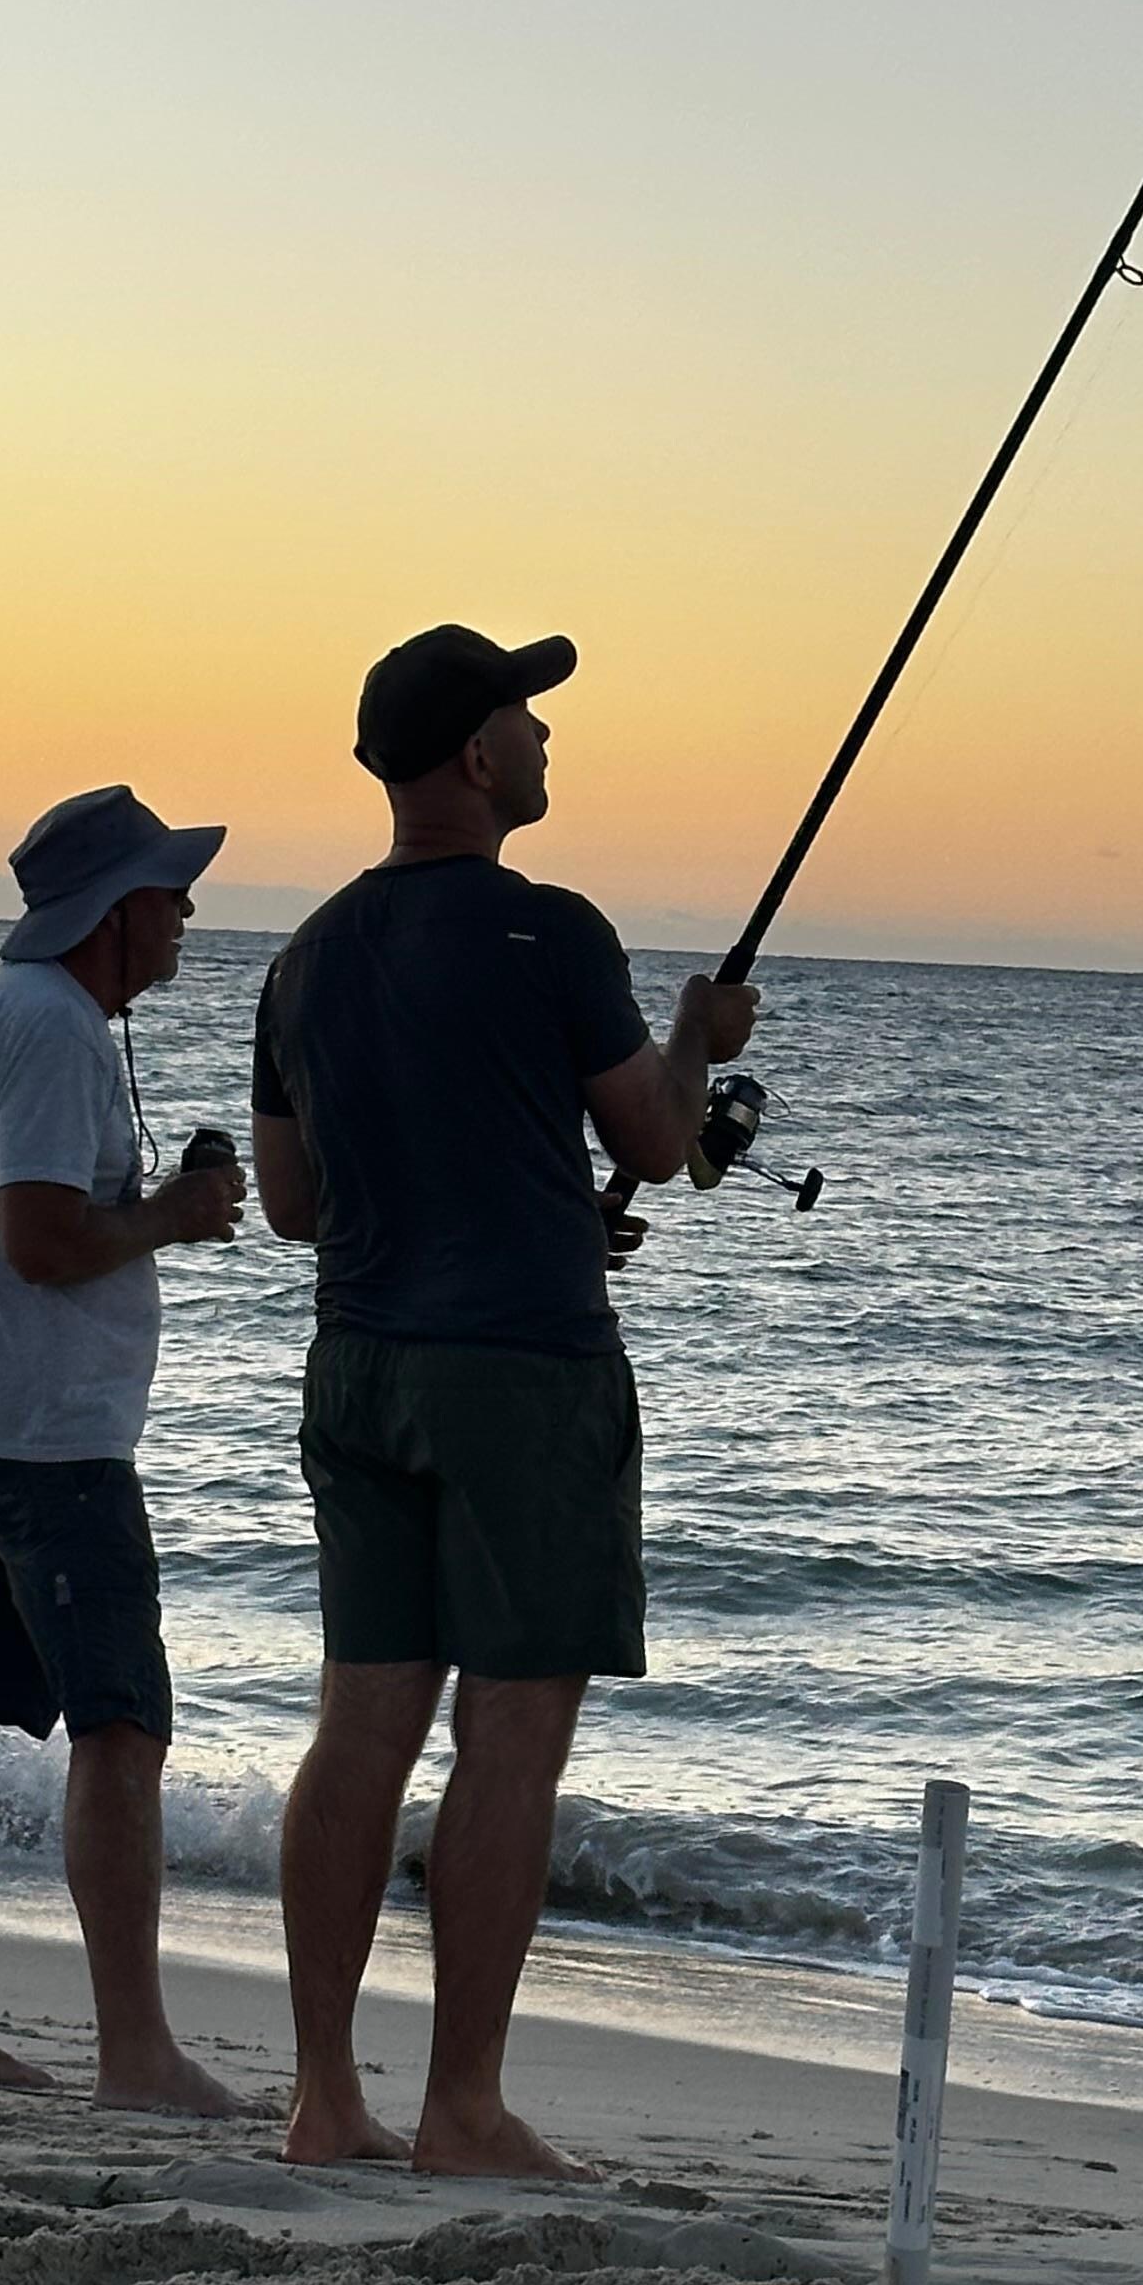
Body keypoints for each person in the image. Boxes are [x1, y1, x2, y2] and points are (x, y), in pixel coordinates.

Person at [250, 625, 755, 2176]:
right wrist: (695, 1044)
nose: (546, 741)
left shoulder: (308, 954)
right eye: (528, 719)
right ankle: (460, 2107)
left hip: (364, 1368)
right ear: (475, 755)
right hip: (526, 1376)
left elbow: (288, 1201)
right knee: (512, 1739)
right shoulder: (554, 933)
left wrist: (518, 1190)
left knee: (363, 1728)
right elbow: (664, 1138)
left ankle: (323, 2099)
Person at [0, 783, 250, 2109]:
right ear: (116, 911)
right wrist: (176, 1217)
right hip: (47, 1447)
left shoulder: (3, 1013)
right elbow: (42, 1242)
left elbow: (36, 1224)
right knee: (122, 1726)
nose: (189, 910)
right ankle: (135, 2052)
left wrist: (154, 1207)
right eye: (171, 890)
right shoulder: (51, 1031)